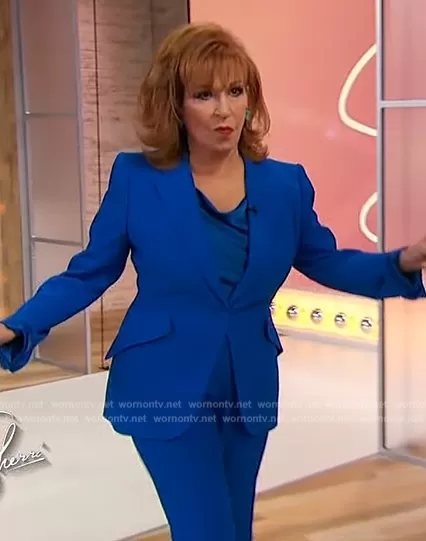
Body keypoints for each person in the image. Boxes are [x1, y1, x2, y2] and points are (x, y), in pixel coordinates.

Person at [1, 21, 426, 541]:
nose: (224, 109)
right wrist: (18, 325)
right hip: (162, 382)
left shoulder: (285, 184)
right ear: (175, 105)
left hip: (246, 385)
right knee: (207, 530)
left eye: (235, 90)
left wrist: (403, 262)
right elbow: (90, 272)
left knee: (233, 528)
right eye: (204, 94)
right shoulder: (137, 178)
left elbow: (328, 261)